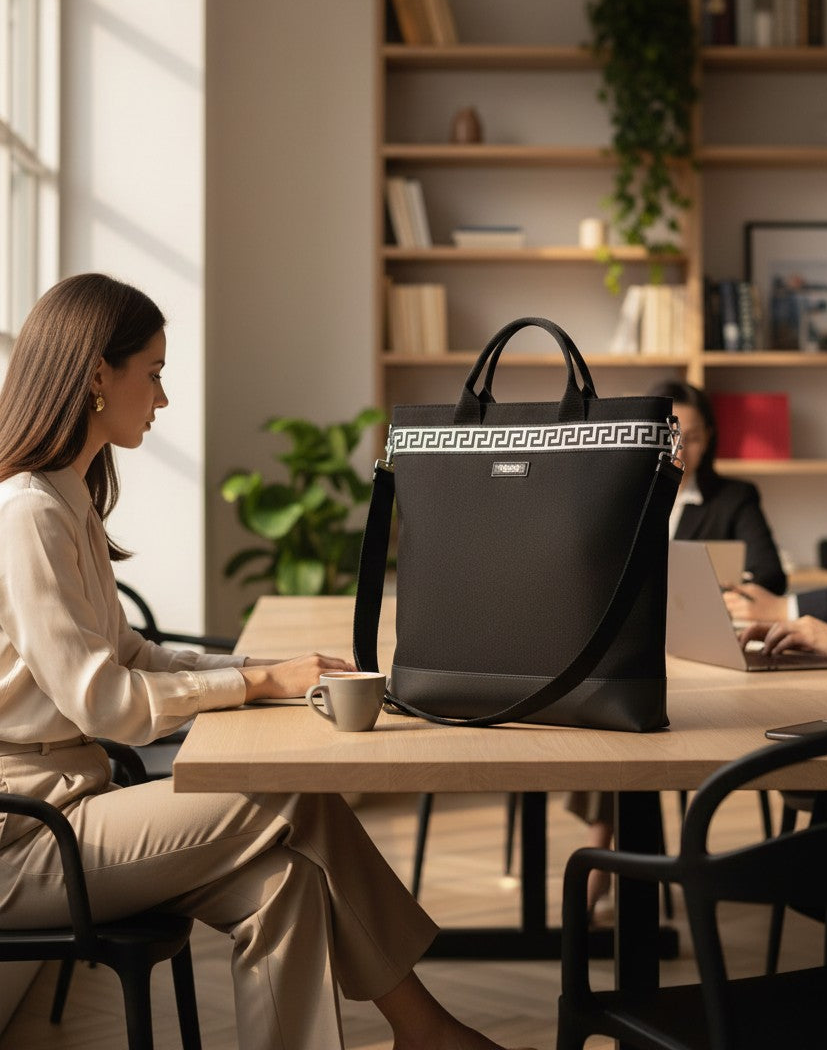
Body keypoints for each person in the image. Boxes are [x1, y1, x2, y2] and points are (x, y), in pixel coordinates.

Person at [0, 273, 535, 1050]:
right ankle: (429, 1030)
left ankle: (427, 1032)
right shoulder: (29, 516)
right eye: (151, 374)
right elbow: (103, 701)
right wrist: (255, 683)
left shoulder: (66, 503)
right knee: (293, 794)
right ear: (94, 376)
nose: (162, 399)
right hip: (30, 841)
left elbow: (130, 652)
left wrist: (270, 665)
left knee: (284, 888)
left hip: (79, 805)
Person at [565, 379, 787, 919]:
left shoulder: (733, 498)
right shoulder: (619, 495)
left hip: (694, 650)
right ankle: (608, 864)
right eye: (671, 434)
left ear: (710, 438)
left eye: (694, 434)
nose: (683, 446)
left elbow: (771, 577)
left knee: (624, 707)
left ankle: (598, 863)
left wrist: (734, 590)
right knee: (614, 699)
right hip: (623, 643)